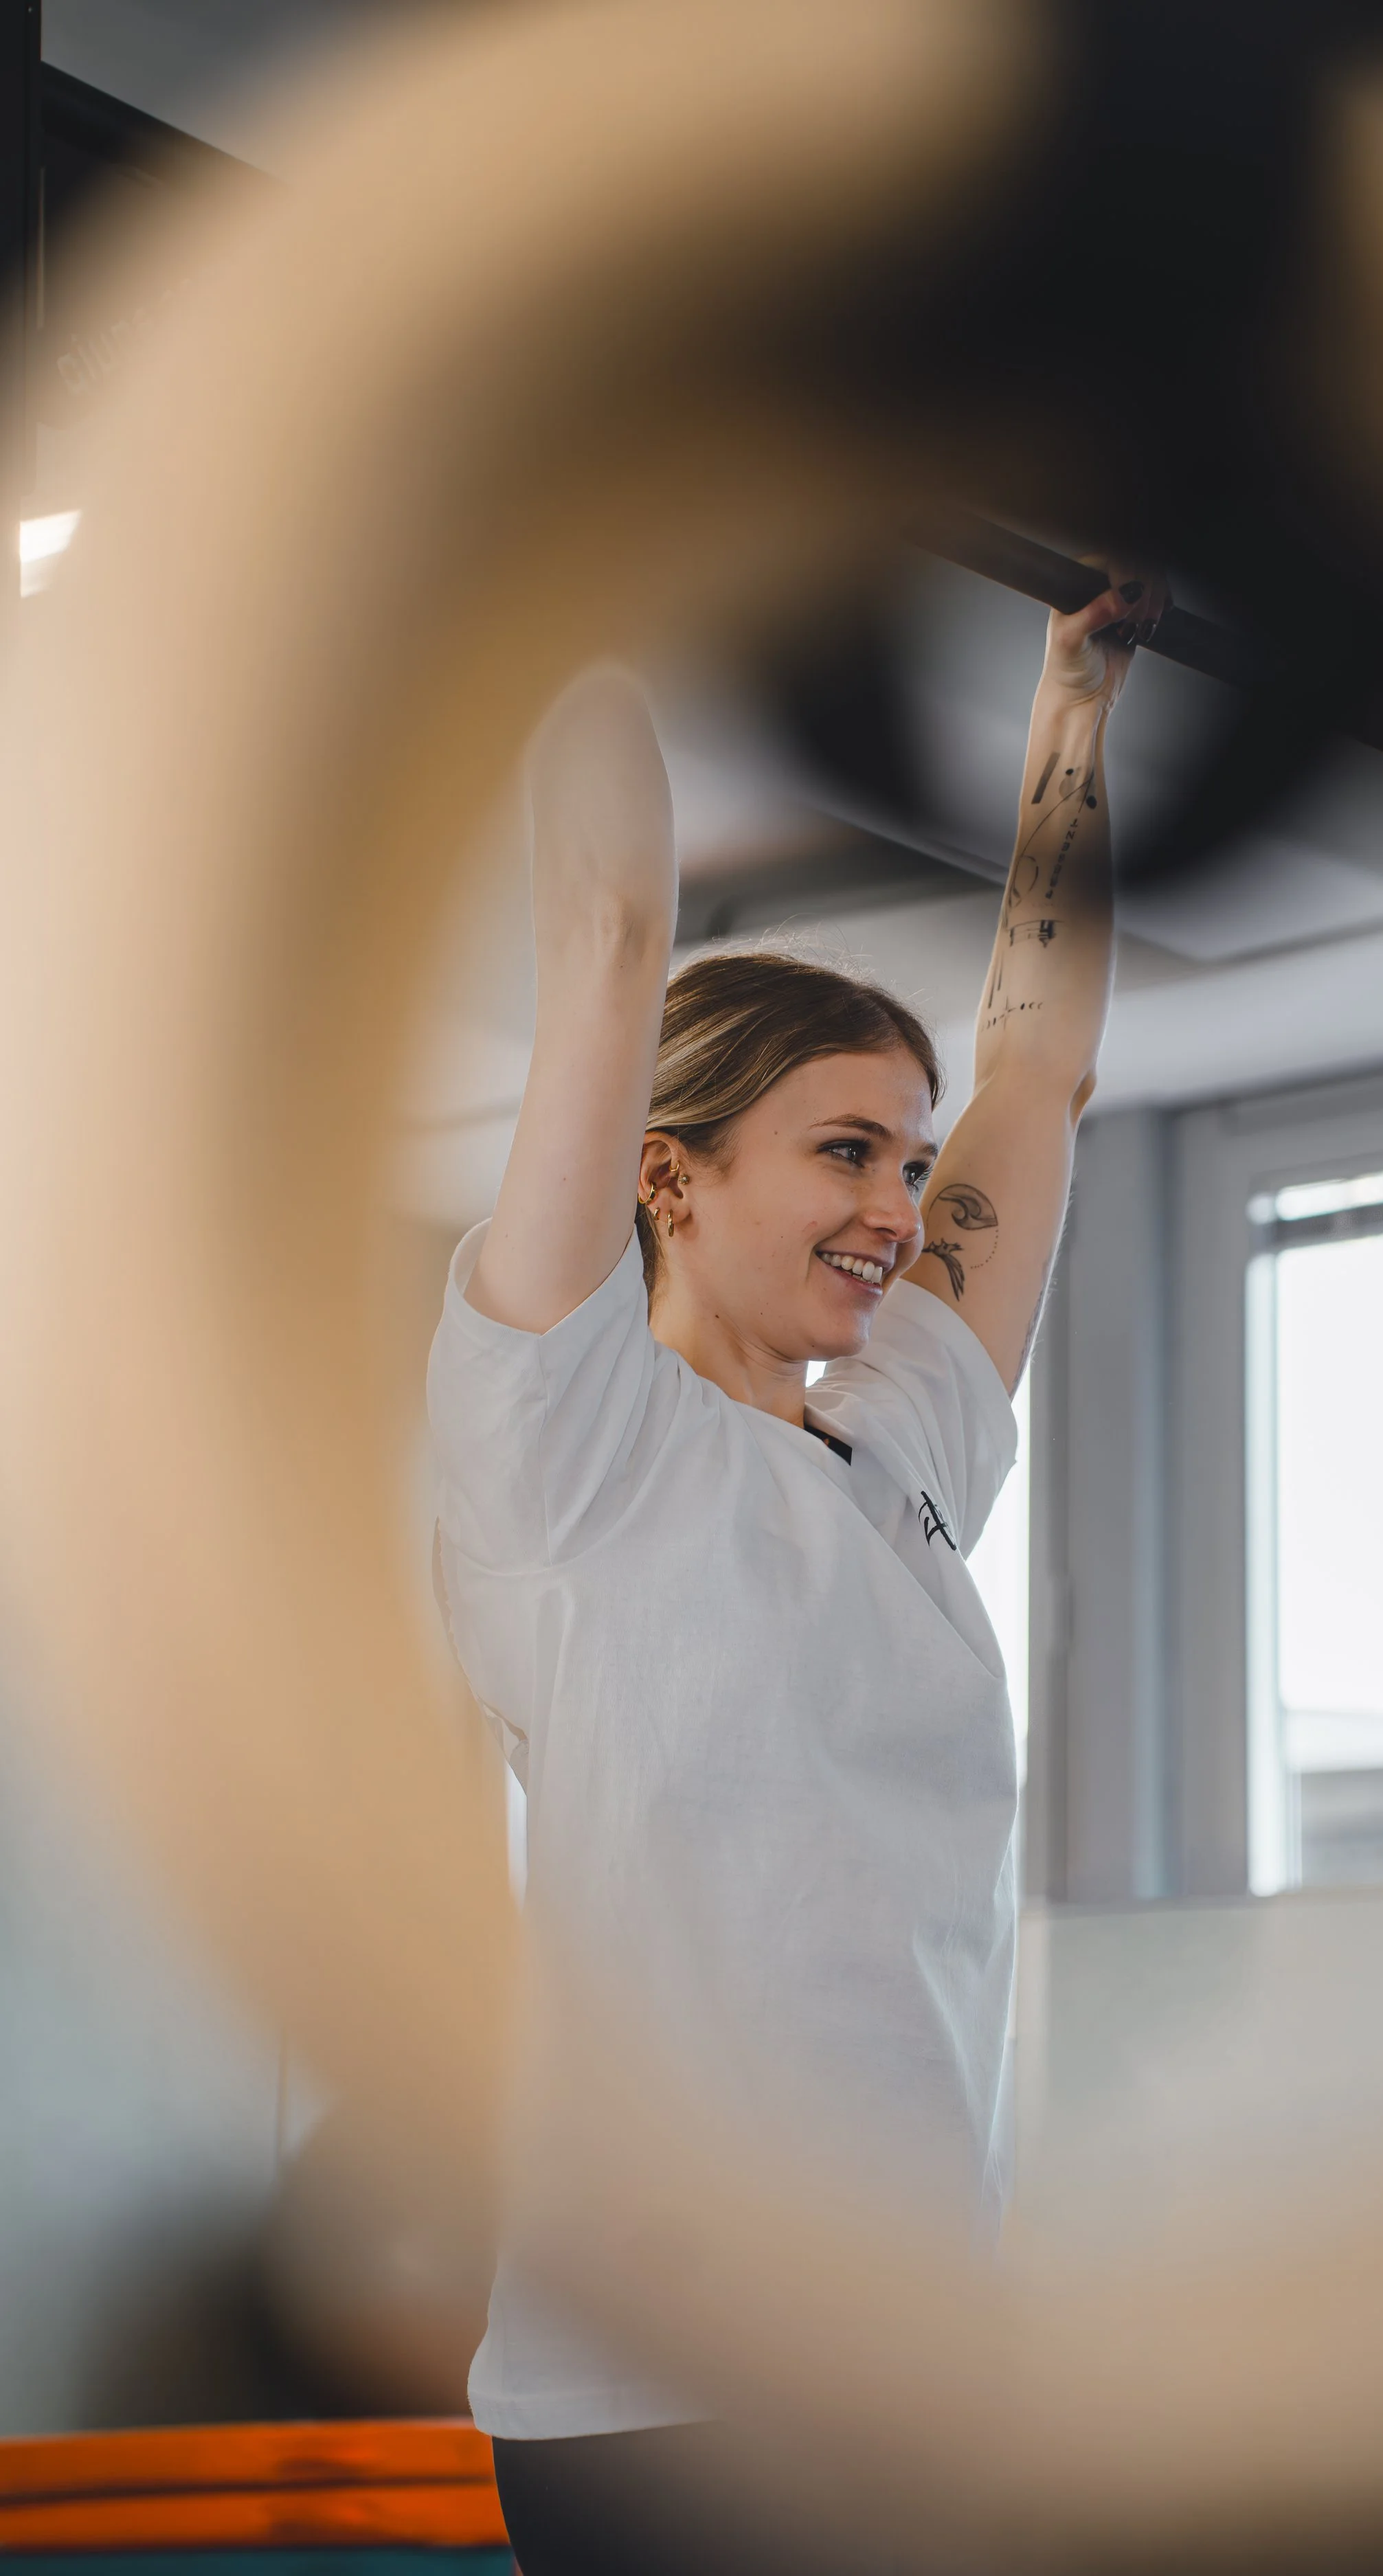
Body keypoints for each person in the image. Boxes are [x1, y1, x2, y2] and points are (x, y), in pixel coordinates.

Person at [426, 570, 1149, 2573]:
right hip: (659, 2376)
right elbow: (607, 928)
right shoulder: (560, 1437)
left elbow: (1041, 1080)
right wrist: (582, 526)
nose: (901, 1212)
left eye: (910, 1165)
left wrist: (1070, 712)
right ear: (670, 1174)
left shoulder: (897, 1435)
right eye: (843, 1151)